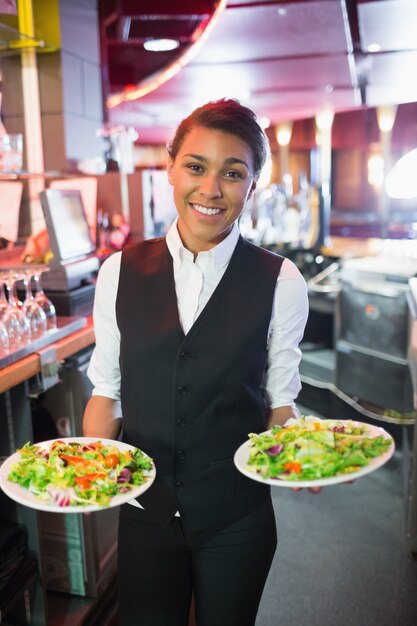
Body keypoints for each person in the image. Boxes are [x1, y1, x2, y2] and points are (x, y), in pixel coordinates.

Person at [83, 98, 309, 626]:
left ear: (252, 185)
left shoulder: (282, 281)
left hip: (238, 516)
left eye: (232, 173)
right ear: (169, 168)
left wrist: (306, 457)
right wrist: (89, 471)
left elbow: (281, 404)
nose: (210, 189)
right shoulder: (118, 272)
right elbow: (106, 393)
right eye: (196, 166)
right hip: (147, 512)